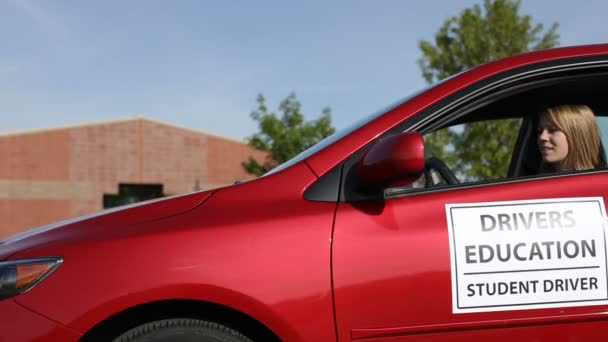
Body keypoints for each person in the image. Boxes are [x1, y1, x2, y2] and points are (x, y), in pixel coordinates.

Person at [537, 104, 606, 172]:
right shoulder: (538, 179)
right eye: (540, 131)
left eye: (552, 130)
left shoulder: (598, 181)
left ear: (577, 135)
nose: (542, 137)